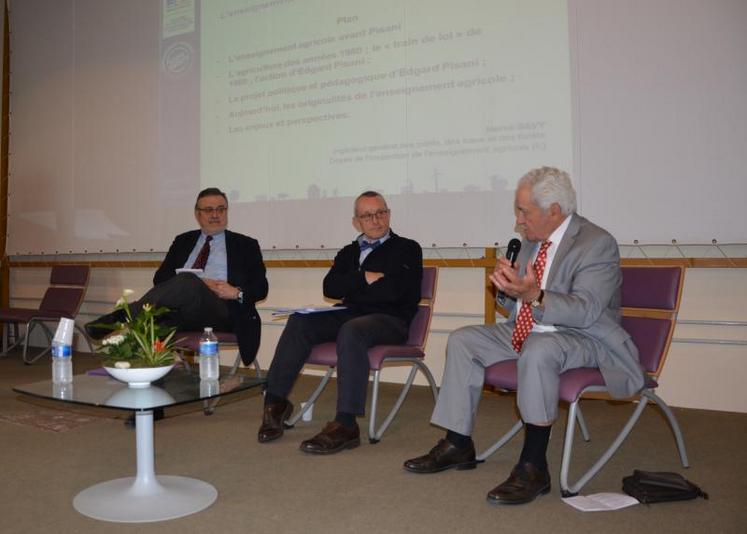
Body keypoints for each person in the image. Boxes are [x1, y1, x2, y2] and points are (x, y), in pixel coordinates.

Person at [403, 167, 644, 505]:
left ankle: (533, 465)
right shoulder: (531, 241)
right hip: (530, 328)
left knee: (538, 349)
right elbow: (515, 303)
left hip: (584, 337)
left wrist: (535, 296)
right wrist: (507, 288)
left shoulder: (596, 243)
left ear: (555, 210)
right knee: (462, 339)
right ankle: (458, 443)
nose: (518, 221)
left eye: (524, 211)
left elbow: (588, 310)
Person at [258, 191, 423, 454]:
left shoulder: (408, 248)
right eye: (368, 215)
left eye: (381, 213)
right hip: (350, 313)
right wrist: (365, 277)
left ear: (389, 214)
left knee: (352, 330)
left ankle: (346, 423)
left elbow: (397, 293)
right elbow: (331, 287)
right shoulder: (349, 251)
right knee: (300, 321)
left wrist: (355, 284)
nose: (376, 220)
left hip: (391, 320)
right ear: (357, 221)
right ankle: (275, 402)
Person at [86, 187, 269, 368]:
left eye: (221, 209)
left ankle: (122, 317)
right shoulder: (183, 241)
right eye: (208, 210)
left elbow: (261, 287)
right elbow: (160, 279)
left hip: (223, 312)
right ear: (197, 214)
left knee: (187, 281)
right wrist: (197, 283)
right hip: (181, 313)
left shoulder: (246, 245)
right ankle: (143, 358)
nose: (215, 215)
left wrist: (236, 292)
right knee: (185, 285)